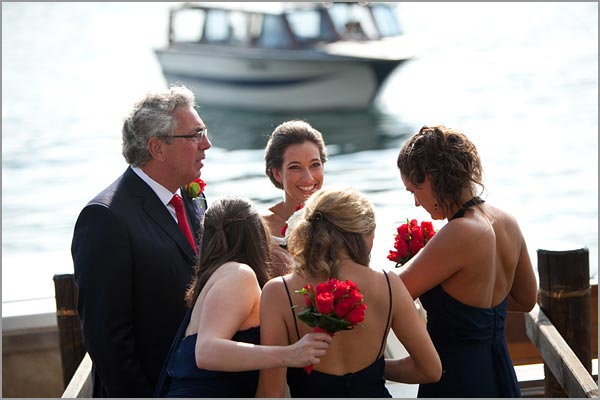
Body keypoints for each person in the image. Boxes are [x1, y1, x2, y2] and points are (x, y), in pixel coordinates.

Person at [71, 85, 211, 397]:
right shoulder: (105, 218)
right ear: (158, 148)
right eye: (196, 135)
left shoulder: (193, 196)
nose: (207, 145)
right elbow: (107, 340)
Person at [389, 125, 538, 397]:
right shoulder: (507, 221)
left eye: (414, 190)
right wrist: (475, 315)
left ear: (431, 178)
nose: (416, 203)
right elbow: (527, 299)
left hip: (457, 378)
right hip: (499, 369)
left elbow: (391, 295)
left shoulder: (460, 232)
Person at [256, 187, 442, 398]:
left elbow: (271, 392)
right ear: (362, 235)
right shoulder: (389, 284)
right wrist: (376, 368)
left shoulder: (279, 292)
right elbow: (430, 370)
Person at [155, 196, 333, 397]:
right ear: (258, 236)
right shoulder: (238, 274)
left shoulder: (220, 277)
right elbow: (206, 352)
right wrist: (291, 354)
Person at [261, 119, 328, 276]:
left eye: (315, 165)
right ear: (277, 173)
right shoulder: (260, 227)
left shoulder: (340, 219)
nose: (309, 178)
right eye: (295, 167)